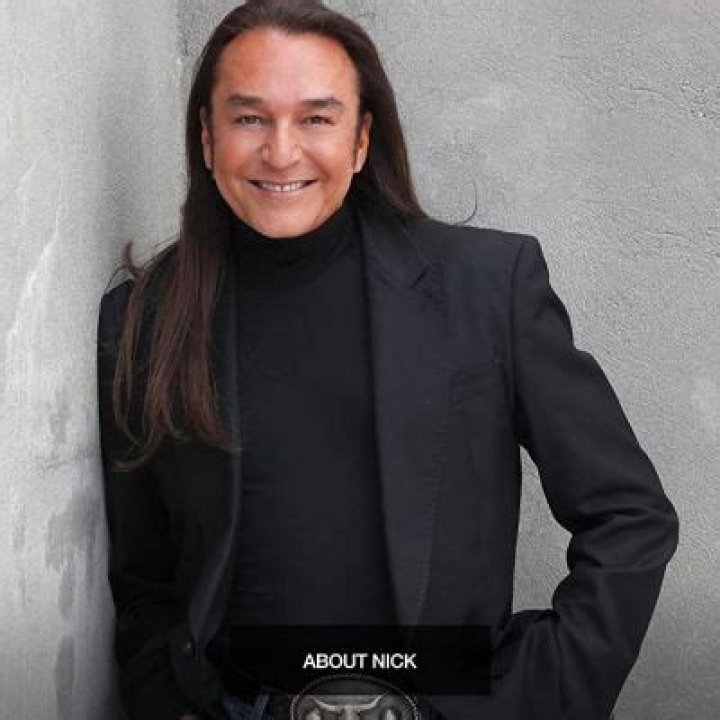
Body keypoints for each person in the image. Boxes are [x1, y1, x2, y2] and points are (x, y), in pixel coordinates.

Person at [96, 1, 679, 719]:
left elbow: (629, 515)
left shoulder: (486, 287)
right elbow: (143, 581)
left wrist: (538, 694)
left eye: (317, 118)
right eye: (250, 118)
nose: (282, 151)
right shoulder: (143, 322)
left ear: (361, 139)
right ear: (208, 139)